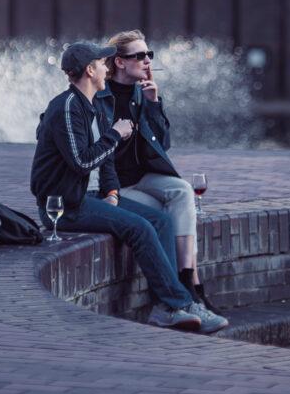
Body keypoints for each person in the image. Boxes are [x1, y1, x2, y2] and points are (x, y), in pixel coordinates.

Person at [30, 40, 228, 335]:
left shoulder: (92, 105)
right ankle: (178, 303)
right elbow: (81, 163)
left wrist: (111, 193)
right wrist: (114, 134)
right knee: (140, 228)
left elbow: (105, 162)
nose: (105, 67)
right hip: (64, 205)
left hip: (91, 197)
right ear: (90, 70)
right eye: (101, 63)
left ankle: (163, 307)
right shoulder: (67, 107)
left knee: (161, 221)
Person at [96, 29, 222, 315]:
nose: (147, 61)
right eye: (140, 56)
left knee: (182, 192)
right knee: (169, 217)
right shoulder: (101, 97)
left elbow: (163, 144)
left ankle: (188, 279)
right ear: (119, 62)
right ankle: (190, 291)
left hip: (143, 177)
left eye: (149, 55)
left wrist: (153, 103)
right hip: (117, 186)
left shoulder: (142, 93)